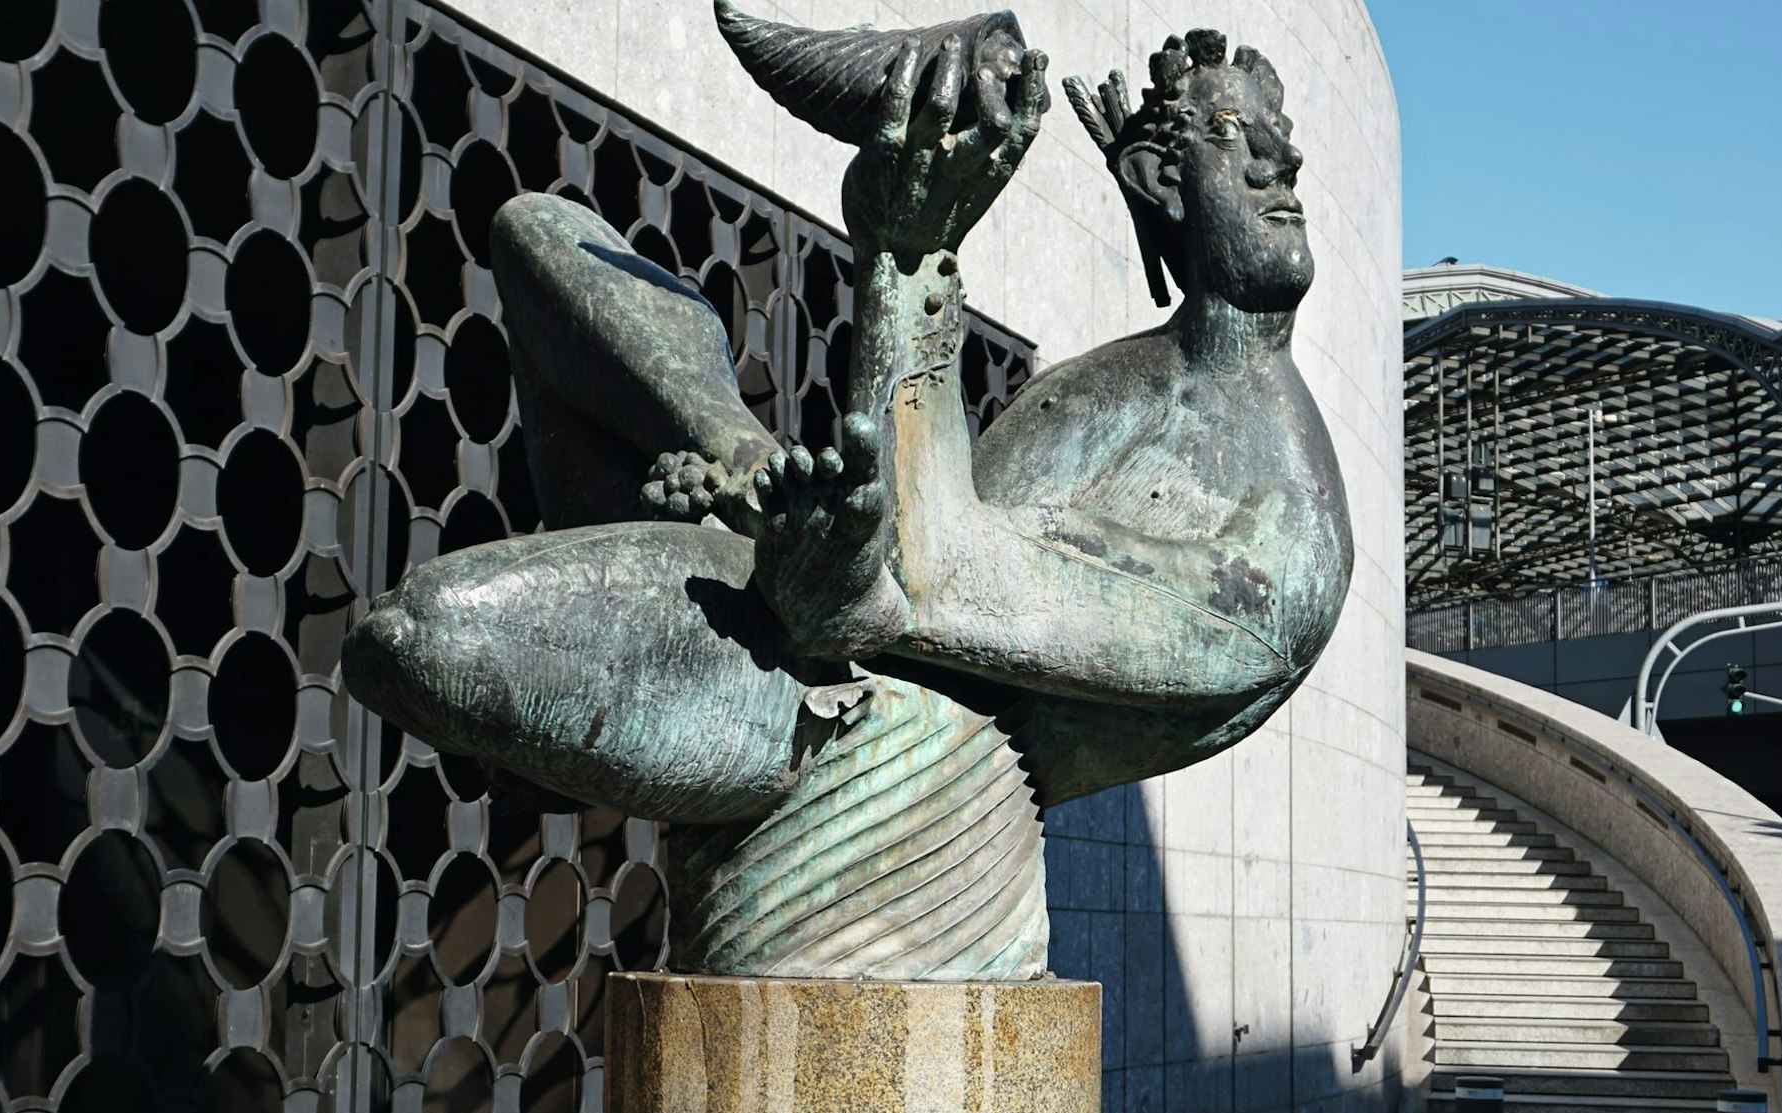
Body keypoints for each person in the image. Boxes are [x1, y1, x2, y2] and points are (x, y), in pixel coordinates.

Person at [343, 24, 1350, 825]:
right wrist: (759, 475)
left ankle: (574, 725)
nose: (1283, 160)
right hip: (828, 593)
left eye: (1280, 140)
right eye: (1236, 135)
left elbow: (922, 589)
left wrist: (908, 256)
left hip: (853, 718)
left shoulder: (1285, 533)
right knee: (537, 233)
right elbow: (922, 528)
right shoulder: (1121, 380)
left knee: (419, 635)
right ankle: (729, 463)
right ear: (1159, 181)